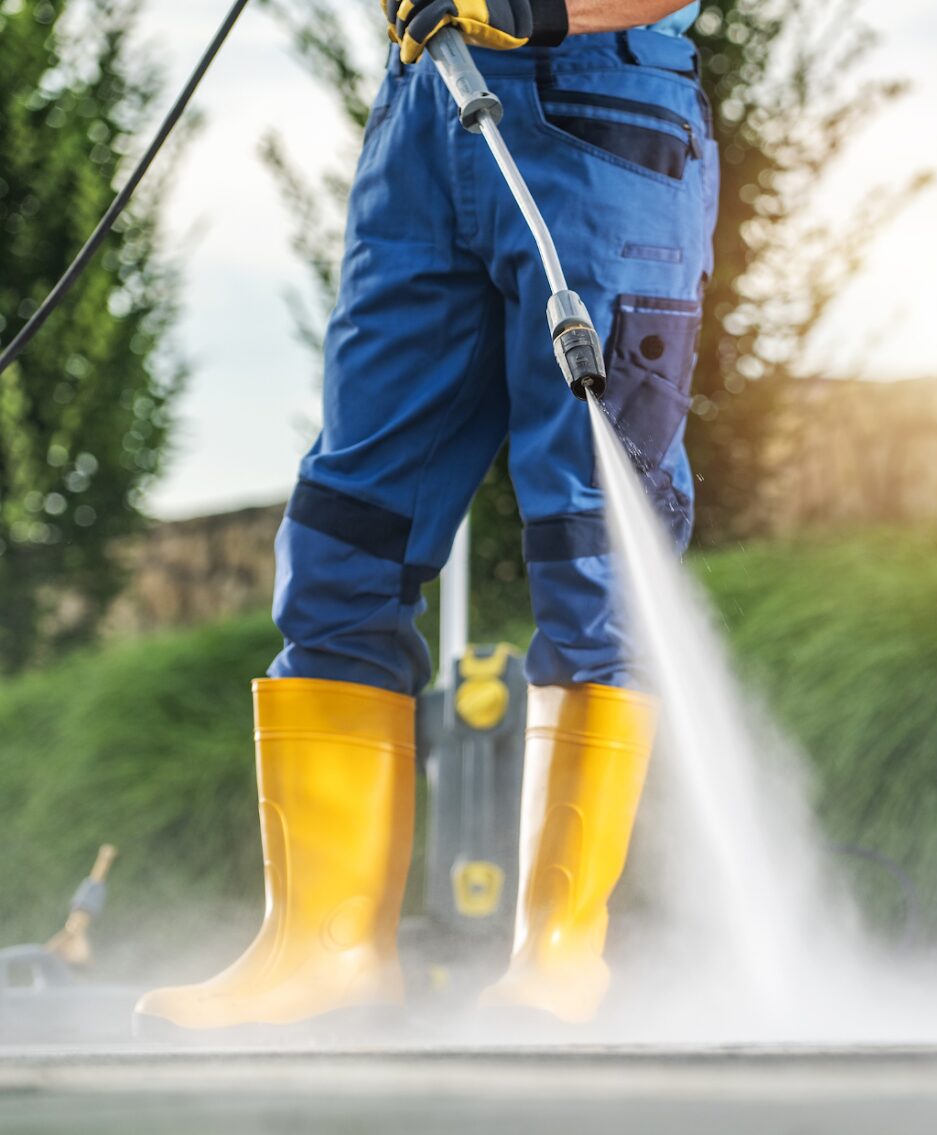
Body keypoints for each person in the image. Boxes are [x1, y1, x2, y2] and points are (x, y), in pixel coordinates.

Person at [134, 0, 716, 1037]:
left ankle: (559, 958)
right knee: (345, 534)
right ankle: (323, 951)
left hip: (601, 109)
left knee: (594, 545)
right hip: (424, 108)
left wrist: (533, 9)